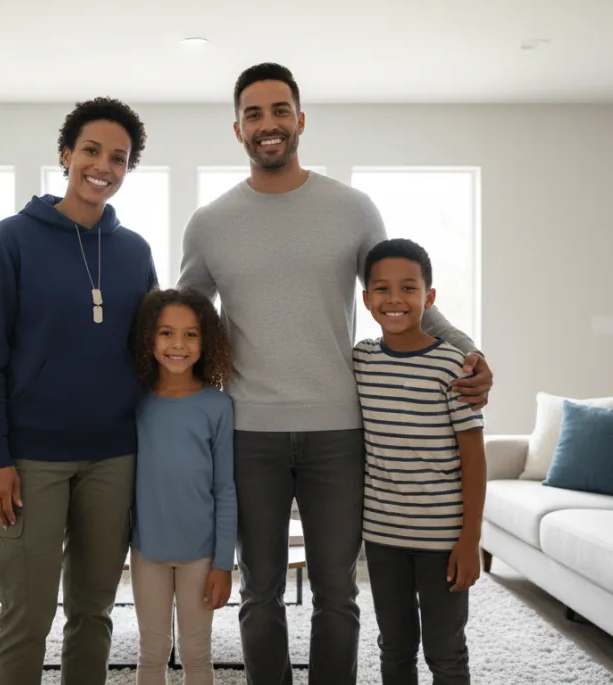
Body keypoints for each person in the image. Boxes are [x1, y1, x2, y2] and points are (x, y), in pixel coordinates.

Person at [177, 62, 494, 685]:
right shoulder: (210, 224)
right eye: (254, 114)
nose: (268, 124)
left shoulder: (351, 209)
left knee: (337, 592)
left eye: (279, 111)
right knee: (259, 590)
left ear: (300, 119)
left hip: (339, 431)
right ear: (237, 128)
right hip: (251, 432)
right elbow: (185, 323)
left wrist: (466, 350)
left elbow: (398, 291)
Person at [0, 96, 158, 685]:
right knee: (26, 613)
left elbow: (153, 353)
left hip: (115, 456)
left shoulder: (135, 252)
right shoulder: (12, 238)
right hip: (31, 458)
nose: (103, 166)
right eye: (92, 151)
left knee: (94, 611)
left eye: (119, 158)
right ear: (66, 154)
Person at [355, 238, 486, 685]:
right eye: (382, 289)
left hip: (443, 540)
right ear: (367, 299)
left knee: (446, 650)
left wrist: (470, 540)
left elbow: (474, 460)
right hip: (382, 535)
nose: (394, 299)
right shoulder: (361, 361)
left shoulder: (453, 368)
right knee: (394, 648)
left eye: (409, 289)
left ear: (429, 298)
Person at [128, 288, 237, 685]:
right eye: (166, 333)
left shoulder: (218, 406)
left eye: (191, 334)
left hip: (201, 557)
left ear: (206, 340)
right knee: (151, 652)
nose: (178, 344)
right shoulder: (136, 404)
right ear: (148, 339)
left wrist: (224, 563)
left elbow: (225, 489)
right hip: (147, 552)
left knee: (197, 653)